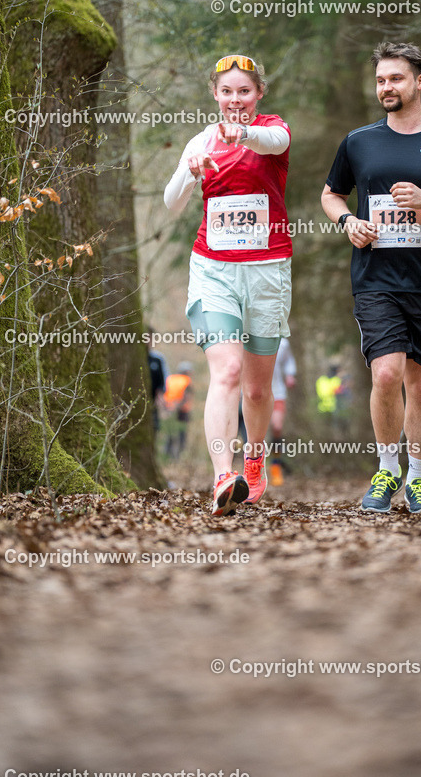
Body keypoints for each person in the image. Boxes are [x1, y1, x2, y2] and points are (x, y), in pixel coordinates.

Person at [321, 40, 421, 515]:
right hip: (376, 279)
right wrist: (347, 222)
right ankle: (386, 469)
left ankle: (417, 478)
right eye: (380, 80)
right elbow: (331, 194)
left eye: (395, 78)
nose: (386, 87)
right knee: (387, 372)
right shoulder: (359, 141)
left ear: (420, 81)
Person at [164, 53, 292, 516]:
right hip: (213, 269)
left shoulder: (273, 129)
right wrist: (191, 170)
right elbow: (172, 202)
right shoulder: (201, 140)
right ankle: (223, 475)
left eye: (244, 91)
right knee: (228, 371)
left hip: (267, 271)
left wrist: (243, 134)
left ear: (258, 94)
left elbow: (274, 142)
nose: (235, 99)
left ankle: (254, 458)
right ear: (215, 95)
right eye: (226, 92)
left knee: (256, 390)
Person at [267, 337, 296, 484]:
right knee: (252, 432)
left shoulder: (282, 342)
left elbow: (289, 360)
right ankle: (253, 469)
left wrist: (290, 374)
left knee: (277, 427)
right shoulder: (248, 337)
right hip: (255, 393)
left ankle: (276, 467)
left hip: (277, 392)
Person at [162, 362, 193, 458]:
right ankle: (180, 455)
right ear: (187, 372)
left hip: (168, 409)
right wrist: (178, 407)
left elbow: (164, 393)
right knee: (182, 434)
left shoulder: (170, 379)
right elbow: (186, 396)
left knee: (170, 432)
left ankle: (167, 454)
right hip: (182, 410)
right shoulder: (186, 380)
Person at [146, 328, 168, 436]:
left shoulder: (157, 359)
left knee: (154, 428)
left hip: (153, 402)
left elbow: (163, 382)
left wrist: (161, 398)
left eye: (150, 338)